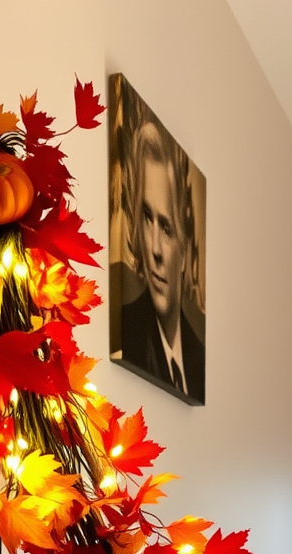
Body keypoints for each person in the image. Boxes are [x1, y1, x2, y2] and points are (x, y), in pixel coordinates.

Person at [118, 120, 205, 404]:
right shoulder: (128, 332)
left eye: (167, 229)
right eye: (146, 217)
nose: (154, 248)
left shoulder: (199, 357)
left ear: (185, 254)